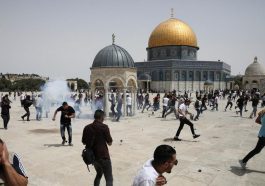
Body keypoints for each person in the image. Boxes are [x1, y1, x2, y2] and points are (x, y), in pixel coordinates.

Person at [82, 110, 113, 186]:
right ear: (102, 117)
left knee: (99, 174)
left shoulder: (87, 127)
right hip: (103, 156)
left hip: (93, 157)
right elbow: (110, 143)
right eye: (104, 117)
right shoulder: (104, 127)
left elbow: (83, 142)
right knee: (109, 178)